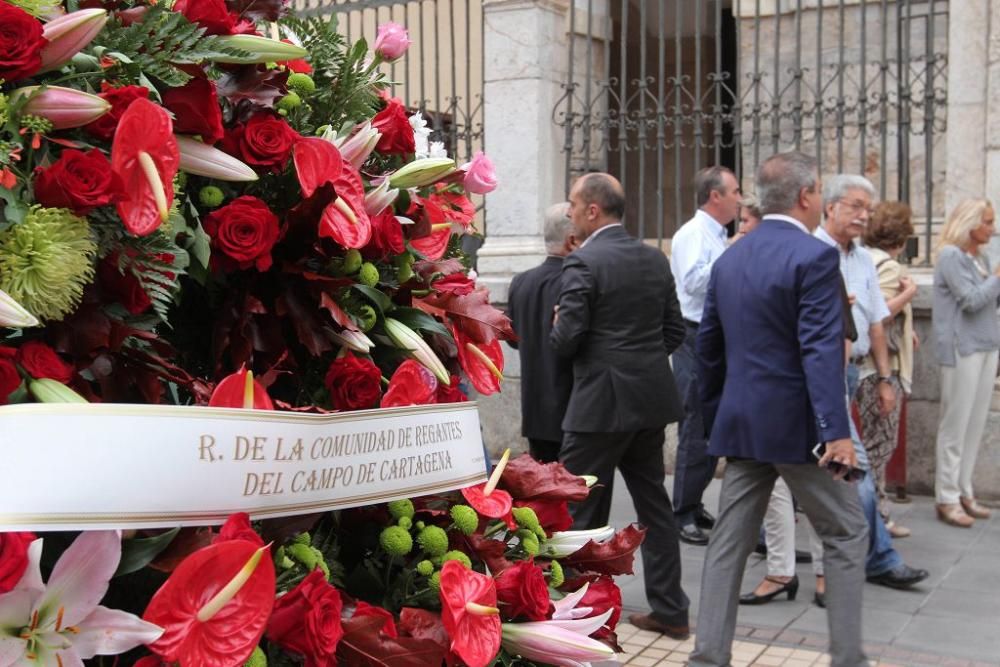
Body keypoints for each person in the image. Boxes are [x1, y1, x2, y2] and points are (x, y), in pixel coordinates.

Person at [689, 151, 869, 667]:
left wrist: (718, 416)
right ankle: (849, 659)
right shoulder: (814, 257)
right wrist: (836, 432)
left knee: (729, 541)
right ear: (808, 196)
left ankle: (707, 657)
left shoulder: (731, 259)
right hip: (798, 430)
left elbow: (709, 351)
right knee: (846, 530)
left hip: (742, 424)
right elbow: (819, 348)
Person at [551, 172, 690, 639]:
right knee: (655, 508)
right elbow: (675, 331)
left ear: (593, 210)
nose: (568, 211)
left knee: (580, 514)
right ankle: (671, 610)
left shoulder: (583, 262)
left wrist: (559, 328)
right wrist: (642, 363)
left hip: (598, 406)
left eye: (572, 204)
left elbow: (565, 339)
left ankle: (578, 621)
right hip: (650, 400)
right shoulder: (655, 259)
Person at [812, 175, 928, 592]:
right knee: (848, 466)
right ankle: (872, 558)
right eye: (855, 205)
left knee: (837, 468)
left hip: (851, 370)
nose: (864, 215)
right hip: (818, 372)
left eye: (868, 208)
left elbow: (877, 323)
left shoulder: (864, 258)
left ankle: (853, 558)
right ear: (829, 206)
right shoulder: (811, 252)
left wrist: (883, 378)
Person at [669, 166, 743, 545]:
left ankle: (695, 503)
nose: (739, 198)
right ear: (715, 196)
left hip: (715, 336)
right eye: (734, 191)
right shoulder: (692, 235)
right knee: (696, 425)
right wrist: (730, 257)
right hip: (694, 335)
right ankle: (681, 511)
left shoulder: (717, 235)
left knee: (711, 423)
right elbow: (693, 281)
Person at [932, 198, 1000, 527]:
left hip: (987, 346)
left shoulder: (981, 257)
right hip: (961, 347)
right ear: (970, 224)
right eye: (987, 221)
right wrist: (998, 277)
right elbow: (972, 301)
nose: (993, 227)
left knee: (974, 425)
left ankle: (964, 489)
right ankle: (946, 496)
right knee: (955, 426)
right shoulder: (951, 256)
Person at [858, 201, 918, 537]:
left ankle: (876, 512)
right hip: (880, 369)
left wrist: (907, 328)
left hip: (866, 364)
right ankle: (872, 516)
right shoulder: (892, 269)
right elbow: (877, 316)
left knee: (871, 445)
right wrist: (908, 294)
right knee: (878, 446)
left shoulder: (865, 258)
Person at [507, 202, 576, 463]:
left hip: (534, 407)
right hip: (570, 408)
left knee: (545, 492)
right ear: (572, 238)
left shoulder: (521, 281)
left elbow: (513, 339)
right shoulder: (576, 281)